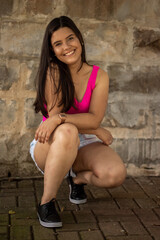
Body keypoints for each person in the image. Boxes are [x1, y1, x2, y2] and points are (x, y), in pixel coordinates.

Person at [30, 16, 126, 228]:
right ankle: (47, 203)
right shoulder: (53, 71)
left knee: (115, 174)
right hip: (52, 143)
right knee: (67, 132)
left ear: (80, 39)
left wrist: (95, 126)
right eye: (58, 44)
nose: (66, 47)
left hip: (83, 142)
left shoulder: (99, 75)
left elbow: (91, 118)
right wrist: (95, 128)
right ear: (52, 50)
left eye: (70, 38)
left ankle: (77, 180)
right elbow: (57, 123)